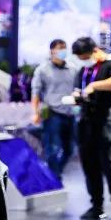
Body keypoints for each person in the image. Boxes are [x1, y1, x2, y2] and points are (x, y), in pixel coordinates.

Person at [71, 37, 111, 220]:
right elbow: (77, 89)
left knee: (110, 166)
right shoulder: (83, 70)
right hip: (86, 122)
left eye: (85, 57)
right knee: (90, 167)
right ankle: (97, 206)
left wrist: (94, 85)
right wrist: (77, 96)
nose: (83, 61)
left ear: (95, 51)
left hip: (106, 121)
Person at [30, 39, 78, 179]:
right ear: (52, 51)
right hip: (51, 113)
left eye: (65, 48)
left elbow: (77, 89)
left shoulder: (73, 69)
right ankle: (55, 176)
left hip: (70, 113)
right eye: (60, 48)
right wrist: (35, 112)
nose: (63, 51)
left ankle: (57, 171)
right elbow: (36, 93)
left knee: (70, 149)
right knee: (52, 148)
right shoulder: (42, 70)